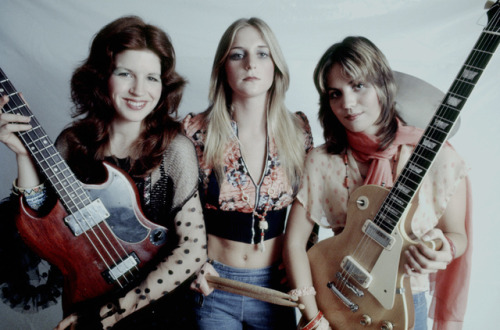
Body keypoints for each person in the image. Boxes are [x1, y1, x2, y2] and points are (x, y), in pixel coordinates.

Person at [0, 16, 206, 329]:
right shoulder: (73, 143)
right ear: (102, 76)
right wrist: (24, 156)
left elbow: (193, 248)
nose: (139, 90)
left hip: (158, 307)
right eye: (125, 74)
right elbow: (45, 222)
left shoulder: (175, 150)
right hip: (86, 301)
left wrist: (118, 308)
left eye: (152, 77)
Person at [283, 36, 472, 330]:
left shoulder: (437, 157)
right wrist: (312, 316)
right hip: (334, 299)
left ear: (383, 86)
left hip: (403, 303)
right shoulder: (322, 160)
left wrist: (441, 249)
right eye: (335, 93)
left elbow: (457, 235)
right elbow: (294, 242)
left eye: (358, 86)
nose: (347, 103)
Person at [182, 17, 313, 329]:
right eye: (237, 55)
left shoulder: (299, 132)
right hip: (214, 284)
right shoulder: (196, 132)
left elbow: (309, 211)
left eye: (262, 54)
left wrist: (301, 263)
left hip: (275, 287)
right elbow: (172, 212)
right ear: (223, 67)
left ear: (275, 67)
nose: (250, 64)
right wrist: (192, 267)